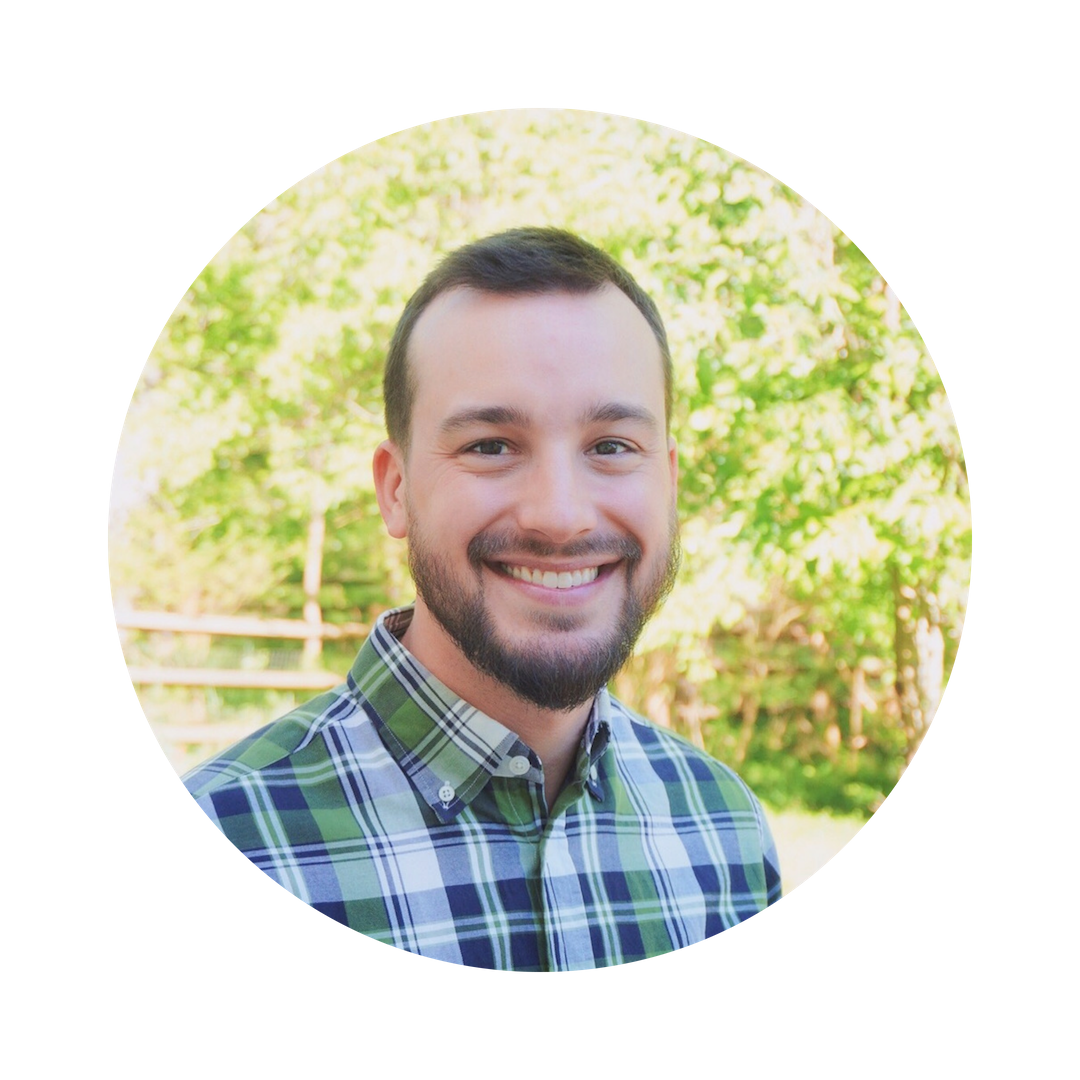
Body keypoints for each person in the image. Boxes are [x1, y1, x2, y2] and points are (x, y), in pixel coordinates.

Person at [183, 227, 782, 973]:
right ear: (395, 490)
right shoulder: (231, 850)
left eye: (611, 446)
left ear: (669, 481)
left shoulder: (728, 832)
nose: (560, 516)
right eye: (490, 446)